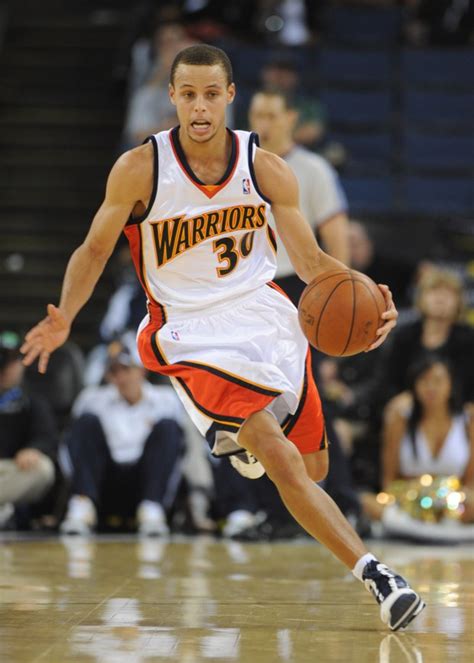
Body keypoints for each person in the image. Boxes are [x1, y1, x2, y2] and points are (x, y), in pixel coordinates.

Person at [21, 44, 423, 630]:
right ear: (173, 98)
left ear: (230, 96)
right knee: (280, 456)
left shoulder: (265, 168)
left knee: (311, 467)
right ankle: (378, 575)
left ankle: (247, 452)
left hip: (263, 315)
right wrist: (65, 315)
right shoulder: (140, 169)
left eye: (211, 93)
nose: (200, 106)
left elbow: (311, 263)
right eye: (188, 94)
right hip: (188, 330)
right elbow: (94, 248)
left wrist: (371, 296)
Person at [61, 337, 185, 536]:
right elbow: (71, 450)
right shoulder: (91, 399)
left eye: (126, 369)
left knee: (169, 427)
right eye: (114, 371)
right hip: (103, 483)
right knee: (86, 421)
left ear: (142, 370)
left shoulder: (166, 400)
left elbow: (178, 455)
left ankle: (152, 509)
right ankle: (82, 506)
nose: (121, 377)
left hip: (145, 483)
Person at [361, 355, 474, 541]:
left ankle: (426, 532)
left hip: (455, 507)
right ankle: (427, 531)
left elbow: (471, 483)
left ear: (451, 383)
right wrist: (415, 499)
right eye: (424, 381)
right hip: (408, 505)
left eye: (438, 381)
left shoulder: (468, 419)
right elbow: (388, 480)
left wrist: (455, 499)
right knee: (365, 502)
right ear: (414, 385)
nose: (431, 388)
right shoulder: (400, 417)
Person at [0, 330, 57, 528]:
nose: (8, 368)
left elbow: (47, 437)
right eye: (4, 361)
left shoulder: (32, 400)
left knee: (43, 469)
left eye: (14, 361)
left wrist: (34, 448)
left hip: (14, 470)